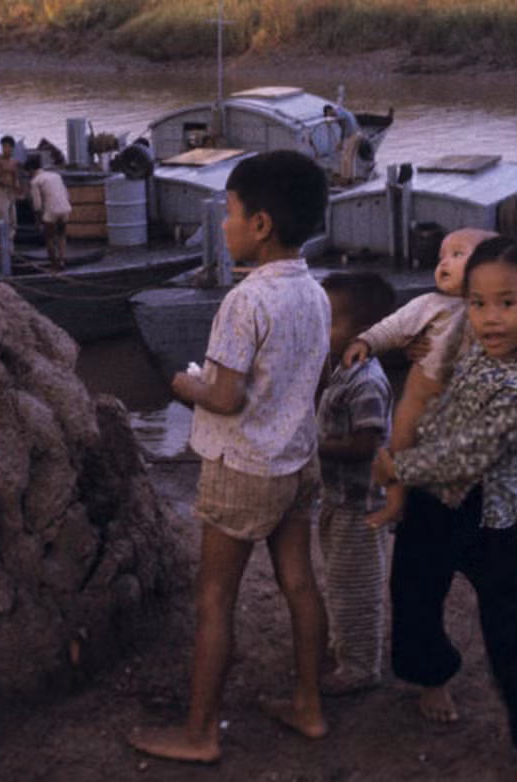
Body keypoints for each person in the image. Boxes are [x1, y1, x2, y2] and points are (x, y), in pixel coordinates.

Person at [128, 150, 331, 764]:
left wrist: (184, 385)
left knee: (215, 599)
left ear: (261, 225)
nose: (223, 225)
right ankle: (309, 706)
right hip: (297, 460)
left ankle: (199, 733)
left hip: (244, 468)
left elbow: (223, 393)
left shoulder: (244, 302)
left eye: (231, 213)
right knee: (299, 582)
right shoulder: (316, 293)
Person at [372, 236, 517, 782]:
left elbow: (467, 457)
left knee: (508, 630)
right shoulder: (465, 333)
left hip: (486, 513)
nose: (490, 317)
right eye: (478, 303)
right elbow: (429, 382)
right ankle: (432, 674)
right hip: (433, 499)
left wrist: (396, 469)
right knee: (412, 590)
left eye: (509, 303)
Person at [343, 227, 496, 529]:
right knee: (399, 446)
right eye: (441, 257)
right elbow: (393, 327)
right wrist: (366, 342)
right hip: (419, 398)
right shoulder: (429, 305)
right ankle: (395, 503)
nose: (444, 263)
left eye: (457, 255)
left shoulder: (492, 311)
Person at [316, 272, 396, 695]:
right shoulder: (342, 372)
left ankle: (360, 666)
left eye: (329, 322)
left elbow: (366, 443)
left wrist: (316, 448)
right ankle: (343, 646)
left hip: (360, 504)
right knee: (338, 579)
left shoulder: (366, 381)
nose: (319, 330)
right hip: (337, 499)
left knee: (357, 586)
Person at [25, 156, 71, 269]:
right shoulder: (56, 176)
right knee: (61, 236)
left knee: (49, 238)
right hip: (65, 208)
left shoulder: (35, 181)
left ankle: (53, 264)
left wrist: (38, 221)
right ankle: (62, 261)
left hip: (51, 211)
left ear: (30, 170)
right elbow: (66, 194)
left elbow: (37, 205)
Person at [0, 135, 23, 259]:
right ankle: (4, 250)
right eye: (4, 147)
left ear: (12, 148)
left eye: (8, 147)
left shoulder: (14, 162)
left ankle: (11, 249)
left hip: (11, 193)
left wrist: (18, 188)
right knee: (3, 219)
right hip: (1, 192)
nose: (6, 150)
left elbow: (16, 178)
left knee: (13, 220)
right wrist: (9, 184)